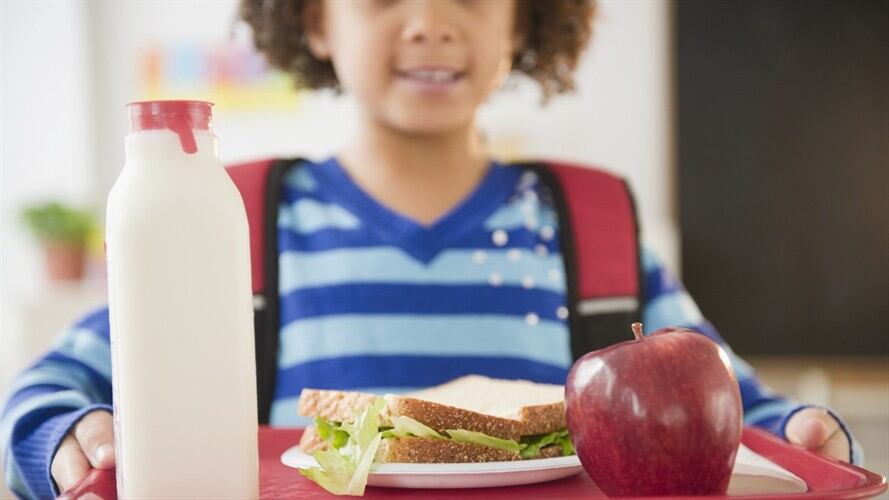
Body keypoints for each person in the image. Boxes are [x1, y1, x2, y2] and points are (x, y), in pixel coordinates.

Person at [1, 1, 861, 498]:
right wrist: (69, 435)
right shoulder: (233, 214)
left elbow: (727, 410)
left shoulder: (591, 220)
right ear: (314, 20)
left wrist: (798, 431)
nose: (429, 22)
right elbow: (50, 388)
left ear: (525, 21)